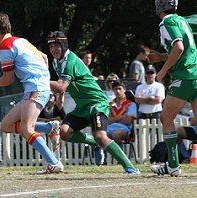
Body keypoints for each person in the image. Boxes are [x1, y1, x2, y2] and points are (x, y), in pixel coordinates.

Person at [47, 31, 139, 173]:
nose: (53, 49)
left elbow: (61, 86)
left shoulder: (70, 61)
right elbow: (63, 84)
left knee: (100, 136)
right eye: (51, 46)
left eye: (57, 45)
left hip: (96, 103)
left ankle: (131, 168)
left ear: (64, 45)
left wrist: (39, 82)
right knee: (64, 132)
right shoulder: (56, 62)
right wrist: (61, 97)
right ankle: (96, 145)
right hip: (82, 106)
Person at [0, 13, 63, 174]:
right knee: (6, 125)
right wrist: (43, 77)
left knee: (27, 129)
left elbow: (8, 80)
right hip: (37, 87)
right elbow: (43, 56)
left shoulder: (5, 47)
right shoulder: (21, 40)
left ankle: (54, 163)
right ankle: (50, 127)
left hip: (35, 89)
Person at [149, 0, 197, 176]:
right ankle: (173, 164)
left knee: (166, 117)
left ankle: (173, 165)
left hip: (185, 77)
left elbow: (179, 47)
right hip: (195, 74)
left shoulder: (167, 21)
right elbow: (182, 49)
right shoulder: (181, 20)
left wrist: (161, 72)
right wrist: (161, 57)